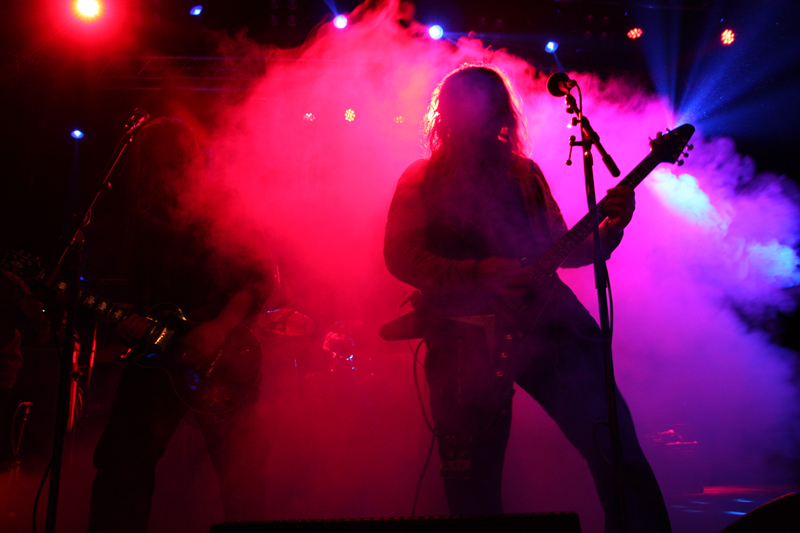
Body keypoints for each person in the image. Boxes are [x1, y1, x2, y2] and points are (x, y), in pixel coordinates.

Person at [384, 66, 671, 532]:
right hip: (464, 339)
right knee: (472, 484)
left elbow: (564, 248)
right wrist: (476, 272)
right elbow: (400, 256)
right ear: (450, 114)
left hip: (547, 322)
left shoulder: (525, 174)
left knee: (614, 446)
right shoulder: (422, 177)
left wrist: (613, 227)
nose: (483, 116)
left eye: (491, 106)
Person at [88, 118, 274, 532]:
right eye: (156, 166)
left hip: (226, 358)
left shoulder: (223, 205)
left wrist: (219, 327)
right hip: (157, 358)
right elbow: (147, 298)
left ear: (191, 160)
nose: (164, 175)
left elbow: (261, 277)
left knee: (240, 471)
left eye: (171, 163)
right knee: (121, 463)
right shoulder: (144, 215)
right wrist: (132, 324)